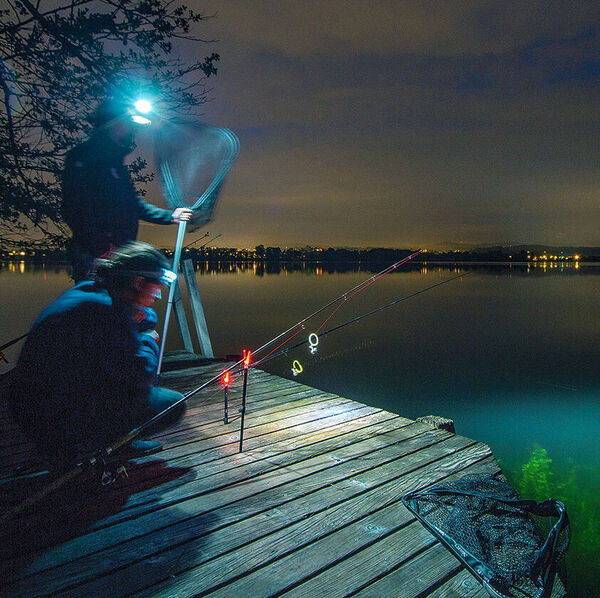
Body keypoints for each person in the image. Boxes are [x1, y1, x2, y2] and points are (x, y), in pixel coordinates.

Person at [7, 242, 186, 469]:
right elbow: (142, 375)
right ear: (138, 282)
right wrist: (149, 339)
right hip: (53, 418)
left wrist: (140, 320)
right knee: (172, 404)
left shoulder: (91, 292)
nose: (159, 295)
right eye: (157, 287)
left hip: (32, 408)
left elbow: (144, 317)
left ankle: (88, 439)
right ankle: (92, 443)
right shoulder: (106, 312)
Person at [62, 96, 193, 282]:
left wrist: (170, 217)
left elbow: (132, 204)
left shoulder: (115, 162)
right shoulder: (83, 157)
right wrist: (101, 247)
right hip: (97, 256)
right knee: (98, 304)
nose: (131, 129)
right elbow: (74, 207)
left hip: (120, 252)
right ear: (112, 123)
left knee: (121, 305)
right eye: (127, 122)